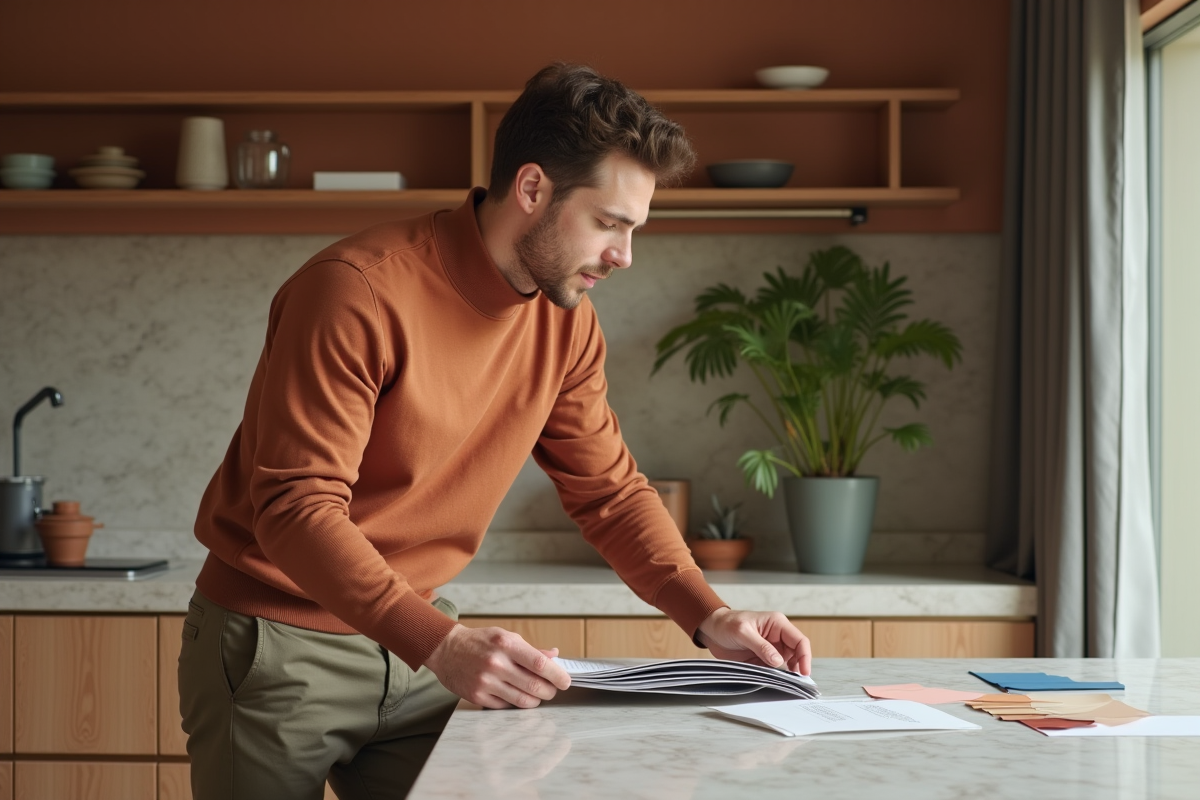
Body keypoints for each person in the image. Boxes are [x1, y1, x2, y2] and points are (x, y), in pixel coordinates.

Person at [178, 63, 813, 800]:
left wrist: (711, 615)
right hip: (277, 647)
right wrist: (441, 643)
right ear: (533, 189)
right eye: (609, 223)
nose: (624, 255)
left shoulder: (565, 322)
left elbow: (609, 492)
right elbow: (295, 509)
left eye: (634, 229)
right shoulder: (356, 292)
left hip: (416, 648)